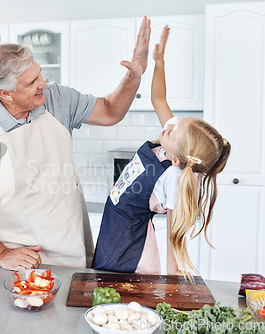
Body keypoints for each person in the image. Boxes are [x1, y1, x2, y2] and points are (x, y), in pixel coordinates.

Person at [0, 17, 152, 271]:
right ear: (5, 94)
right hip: (27, 269)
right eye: (31, 82)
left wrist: (133, 78)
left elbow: (110, 111)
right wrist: (0, 254)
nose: (43, 83)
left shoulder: (55, 99)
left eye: (39, 73)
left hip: (75, 254)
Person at [92, 26, 231, 277]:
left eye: (175, 129)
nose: (170, 125)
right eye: (176, 123)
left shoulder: (174, 177)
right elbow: (159, 99)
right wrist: (159, 61)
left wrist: (173, 273)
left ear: (177, 159)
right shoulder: (172, 145)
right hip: (114, 225)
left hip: (132, 247)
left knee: (125, 294)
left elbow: (173, 234)